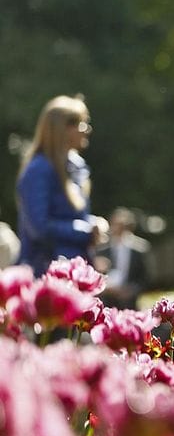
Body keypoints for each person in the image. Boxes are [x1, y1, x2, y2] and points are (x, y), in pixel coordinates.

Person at [16, 95, 106, 276]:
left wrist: (93, 224)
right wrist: (86, 230)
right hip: (45, 270)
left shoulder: (75, 166)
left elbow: (74, 217)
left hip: (73, 268)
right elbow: (39, 228)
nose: (86, 130)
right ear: (63, 129)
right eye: (81, 125)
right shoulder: (39, 169)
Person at [95, 208, 151, 309]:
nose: (118, 229)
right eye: (115, 225)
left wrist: (130, 290)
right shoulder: (101, 249)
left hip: (129, 303)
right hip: (107, 302)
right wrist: (105, 288)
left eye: (122, 226)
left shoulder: (140, 249)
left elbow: (145, 279)